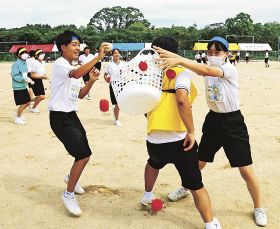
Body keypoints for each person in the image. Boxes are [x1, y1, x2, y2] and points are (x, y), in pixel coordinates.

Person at [155, 36, 268, 227]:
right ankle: (185, 187)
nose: (213, 55)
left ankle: (258, 208)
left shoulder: (228, 69)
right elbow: (200, 69)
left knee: (245, 170)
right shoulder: (206, 68)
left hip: (233, 123)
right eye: (210, 52)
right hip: (213, 121)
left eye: (218, 52)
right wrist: (172, 56)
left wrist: (180, 59)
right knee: (198, 162)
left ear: (226, 54)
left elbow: (207, 69)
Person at [141, 36, 221, 229]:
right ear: (174, 53)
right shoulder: (181, 73)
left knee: (153, 163)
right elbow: (182, 100)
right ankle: (210, 224)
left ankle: (147, 195)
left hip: (154, 138)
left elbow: (143, 105)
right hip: (178, 139)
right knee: (195, 184)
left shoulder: (149, 74)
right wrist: (191, 131)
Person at [48, 30, 110, 216]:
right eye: (74, 45)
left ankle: (71, 179)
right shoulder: (60, 64)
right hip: (60, 118)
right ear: (63, 47)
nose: (78, 48)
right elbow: (75, 75)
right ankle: (68, 194)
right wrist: (99, 56)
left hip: (71, 116)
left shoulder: (71, 66)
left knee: (84, 154)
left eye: (78, 45)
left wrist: (91, 80)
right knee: (83, 156)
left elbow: (81, 95)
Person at [104, 48, 125, 127]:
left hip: (122, 85)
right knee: (117, 103)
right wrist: (106, 78)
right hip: (113, 85)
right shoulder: (109, 64)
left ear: (120, 54)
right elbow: (105, 74)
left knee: (119, 103)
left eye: (118, 53)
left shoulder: (123, 63)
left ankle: (116, 113)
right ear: (112, 55)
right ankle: (117, 120)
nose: (117, 54)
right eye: (115, 53)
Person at [11, 47, 32, 125]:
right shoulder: (16, 64)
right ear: (19, 55)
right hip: (18, 87)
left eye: (26, 52)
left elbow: (24, 75)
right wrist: (23, 79)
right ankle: (18, 118)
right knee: (23, 103)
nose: (25, 54)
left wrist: (28, 79)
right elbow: (14, 76)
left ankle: (18, 114)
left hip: (23, 86)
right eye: (23, 53)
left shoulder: (25, 63)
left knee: (27, 102)